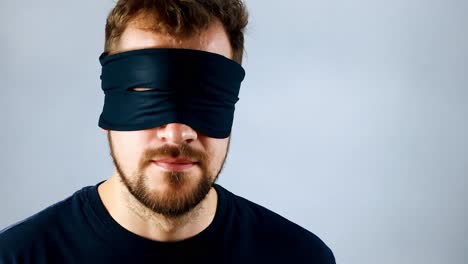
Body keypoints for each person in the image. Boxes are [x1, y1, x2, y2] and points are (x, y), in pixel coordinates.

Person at [0, 0, 335, 263]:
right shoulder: (17, 257)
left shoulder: (300, 257)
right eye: (147, 96)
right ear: (110, 105)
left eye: (205, 97)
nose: (176, 134)